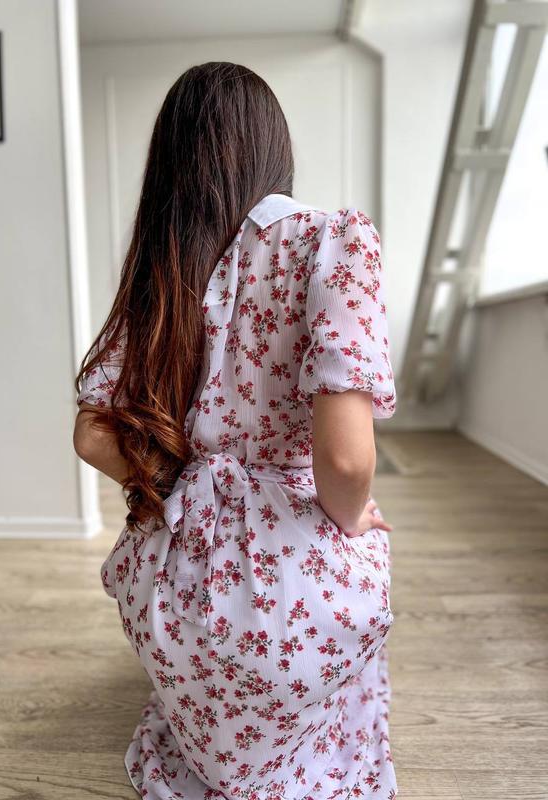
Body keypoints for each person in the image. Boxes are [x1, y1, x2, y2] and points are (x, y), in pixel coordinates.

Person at [74, 61, 398, 800]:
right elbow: (347, 461)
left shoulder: (164, 269)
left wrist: (177, 483)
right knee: (360, 555)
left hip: (176, 580)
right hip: (293, 604)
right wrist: (351, 521)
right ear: (271, 149)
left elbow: (92, 436)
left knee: (202, 647)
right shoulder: (330, 242)